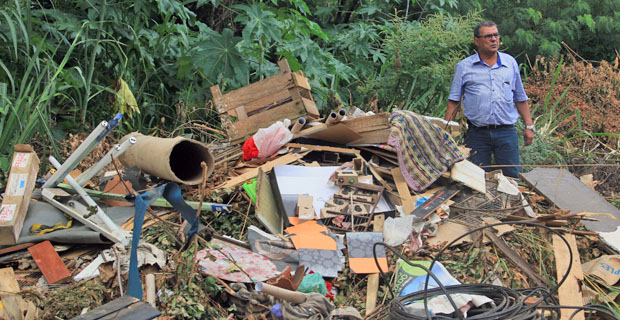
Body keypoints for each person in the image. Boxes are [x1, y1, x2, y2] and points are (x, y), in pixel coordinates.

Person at [445, 20, 535, 178]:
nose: (494, 39)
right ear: (477, 41)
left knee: (512, 177)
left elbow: (520, 97)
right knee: (476, 178)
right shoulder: (465, 67)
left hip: (506, 133)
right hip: (477, 134)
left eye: (496, 35)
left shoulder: (510, 63)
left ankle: (510, 203)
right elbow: (454, 100)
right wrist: (447, 132)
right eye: (488, 36)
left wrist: (529, 126)